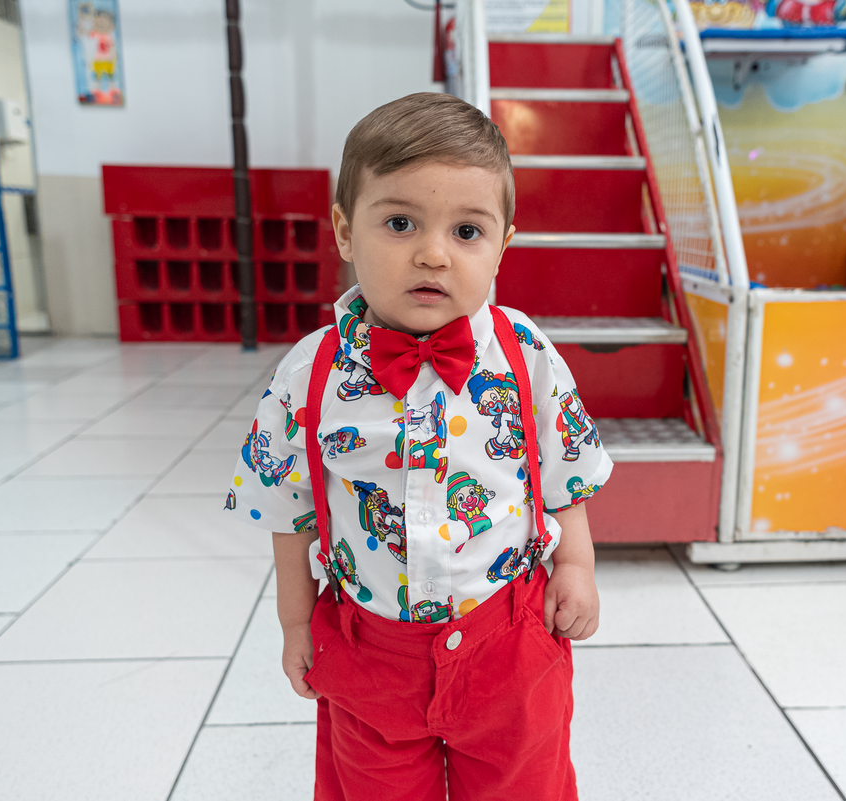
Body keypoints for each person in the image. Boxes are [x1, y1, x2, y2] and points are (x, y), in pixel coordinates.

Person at [227, 92, 613, 801]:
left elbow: (565, 475)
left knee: (524, 784)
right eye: (400, 222)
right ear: (345, 230)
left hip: (508, 637)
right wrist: (294, 619)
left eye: (468, 231)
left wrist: (577, 564)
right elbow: (287, 509)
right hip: (370, 648)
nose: (433, 253)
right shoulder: (310, 373)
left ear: (504, 243)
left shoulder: (525, 354)